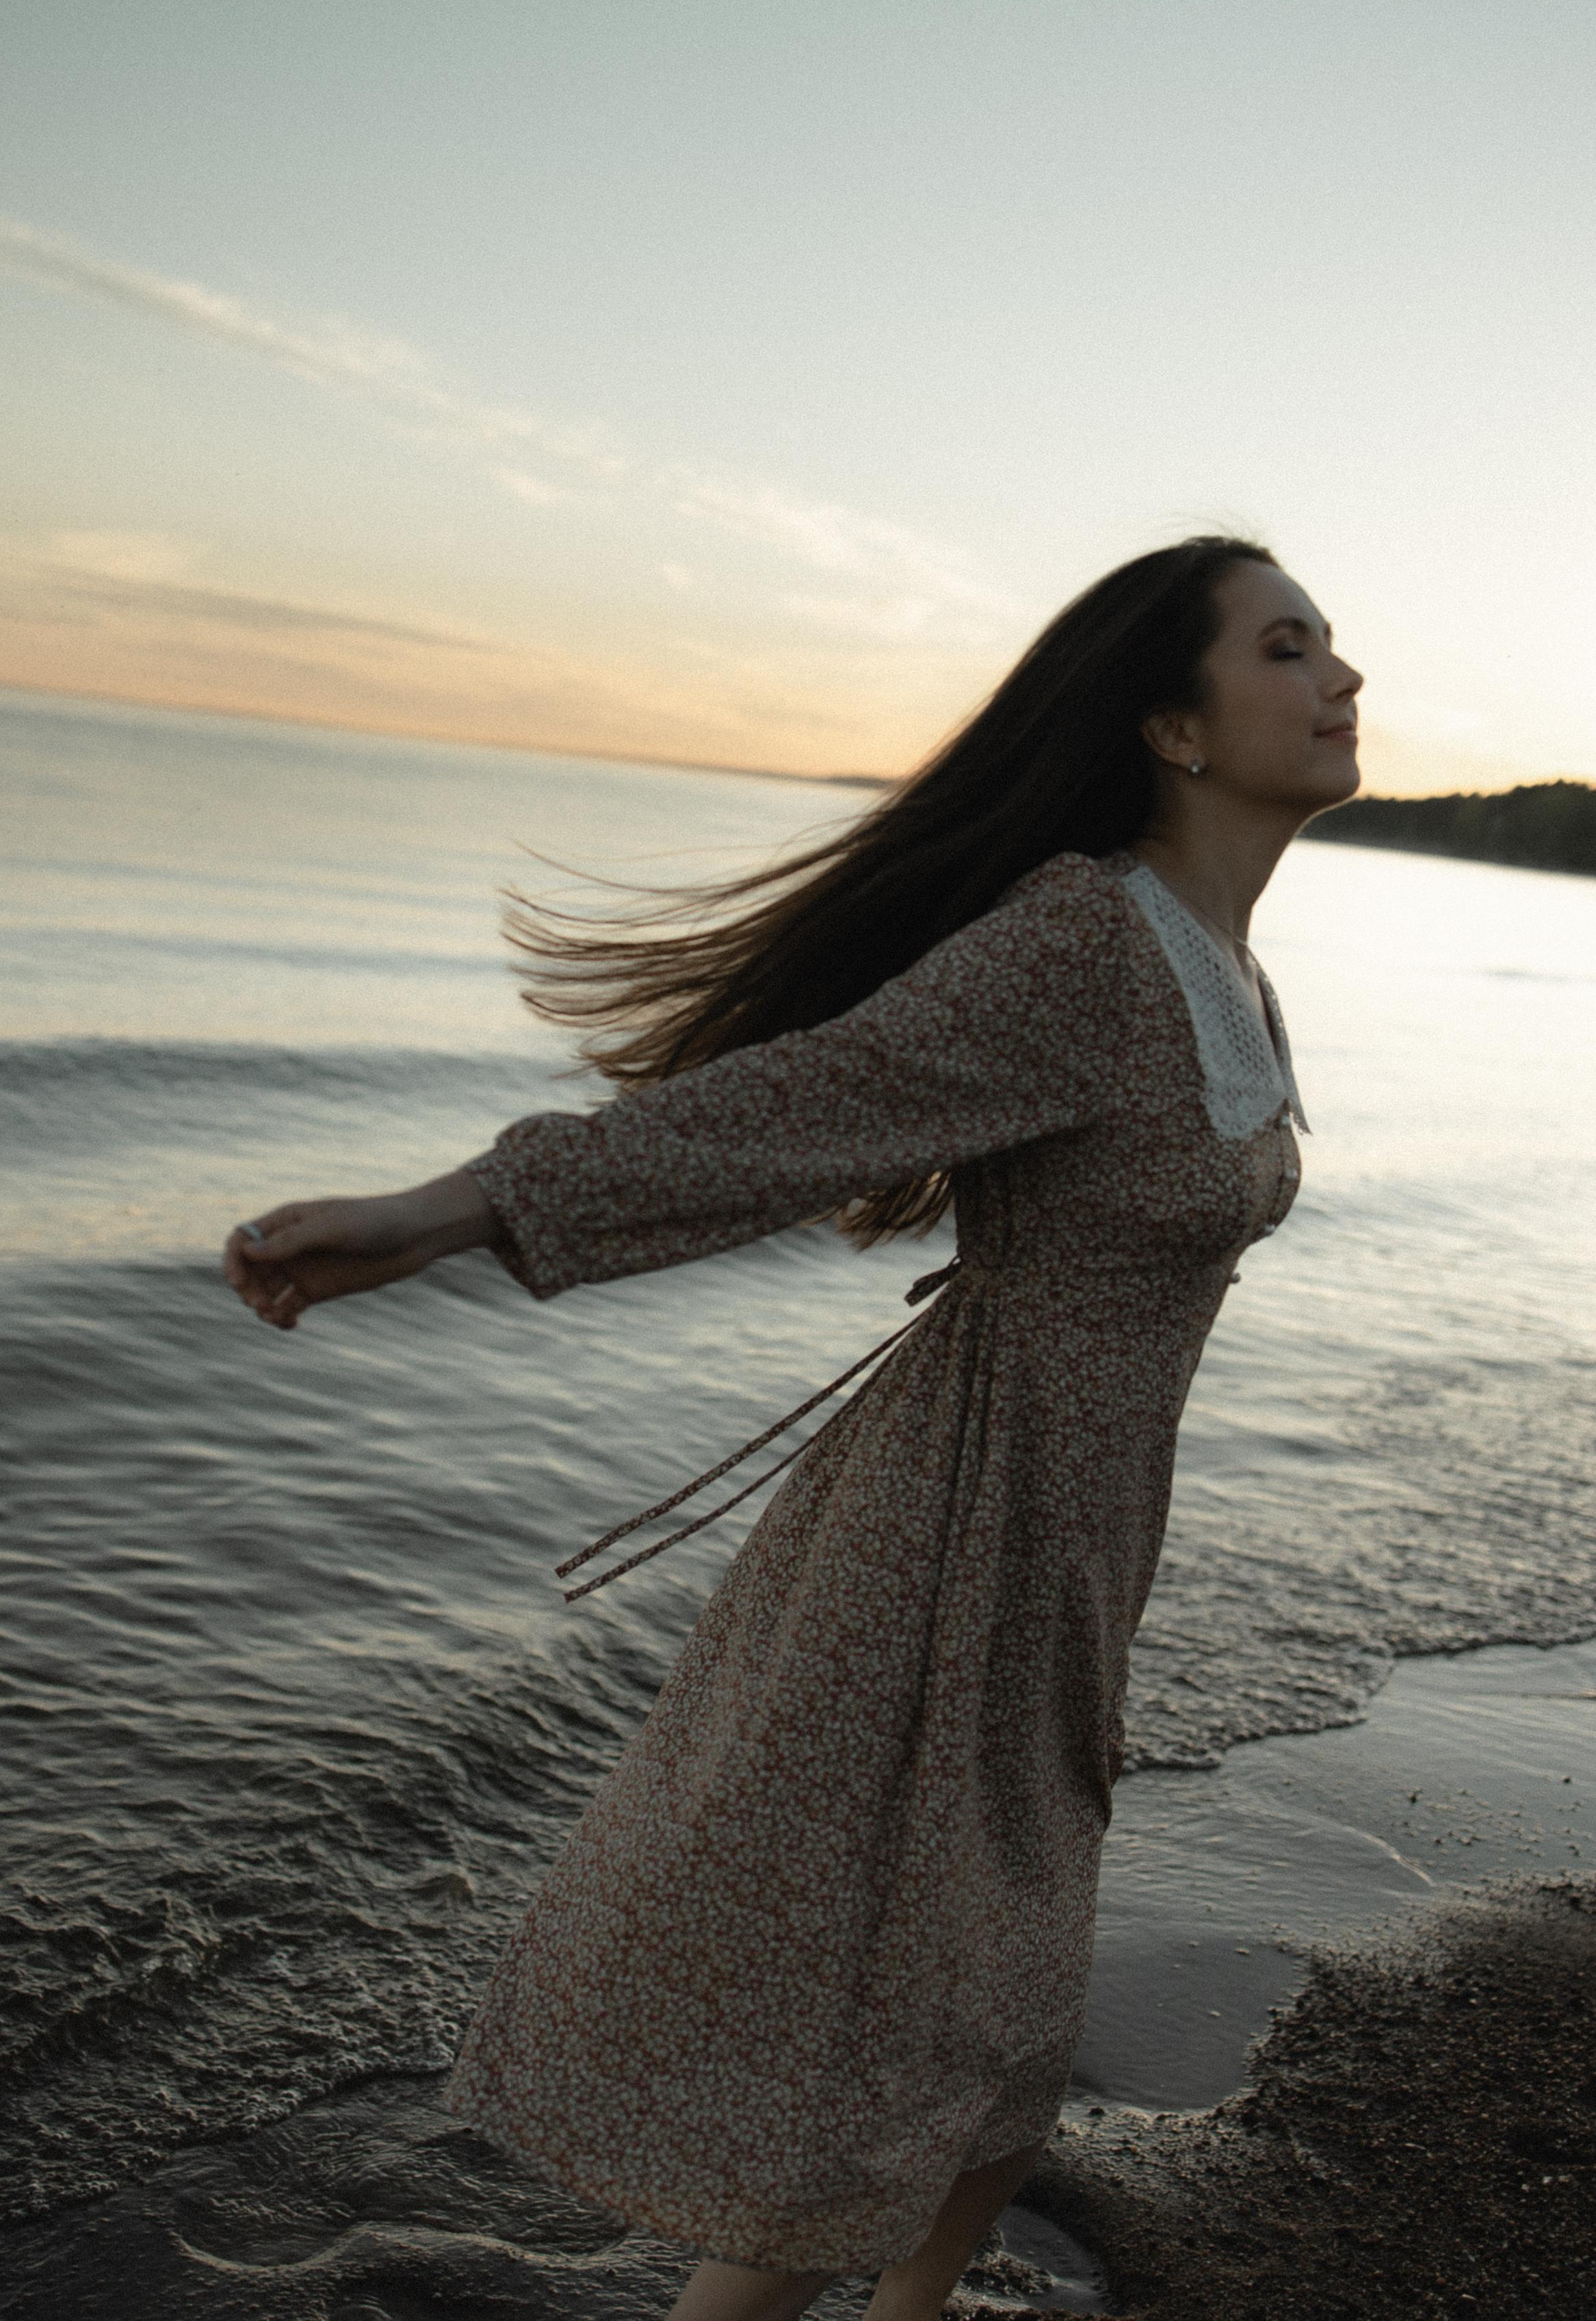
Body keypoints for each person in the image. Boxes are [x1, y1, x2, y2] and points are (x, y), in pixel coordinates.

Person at [224, 536, 1362, 2320]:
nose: (1342, 677)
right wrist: (452, 1209)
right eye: (1289, 648)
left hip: (1069, 1564)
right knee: (883, 2068)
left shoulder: (1238, 972)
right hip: (947, 1548)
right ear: (1175, 724)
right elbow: (798, 1106)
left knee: (998, 2040)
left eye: (1333, 646)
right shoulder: (1088, 937)